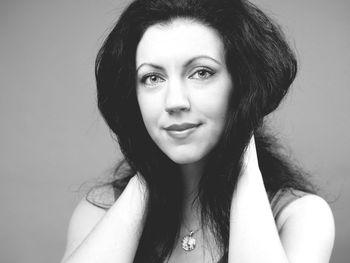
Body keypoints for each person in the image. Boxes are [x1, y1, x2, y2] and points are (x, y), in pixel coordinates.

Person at [61, 0, 335, 262]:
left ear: (242, 85)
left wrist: (245, 165)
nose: (175, 101)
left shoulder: (300, 217)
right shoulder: (98, 211)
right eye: (152, 78)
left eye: (201, 72)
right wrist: (146, 175)